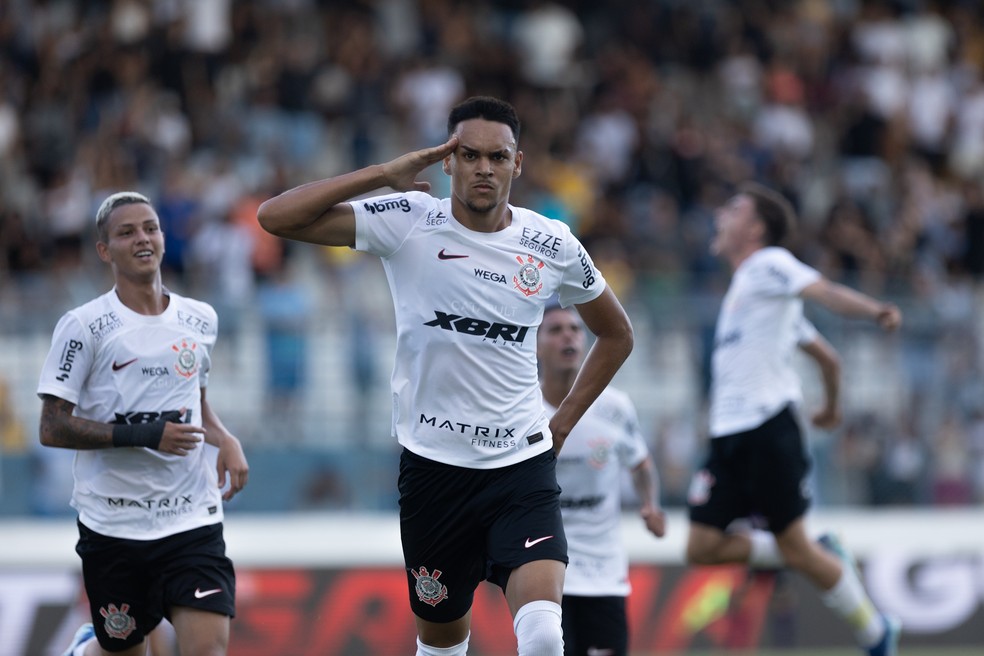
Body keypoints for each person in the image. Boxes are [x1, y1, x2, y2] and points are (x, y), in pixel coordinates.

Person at [257, 95, 634, 656]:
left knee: (542, 639)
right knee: (441, 646)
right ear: (447, 162)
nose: (485, 168)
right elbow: (275, 217)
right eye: (470, 154)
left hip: (520, 468)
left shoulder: (550, 243)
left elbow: (617, 334)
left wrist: (563, 423)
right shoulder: (408, 222)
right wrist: (385, 174)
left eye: (498, 157)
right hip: (434, 473)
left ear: (517, 164)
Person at [685, 181, 903, 656]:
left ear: (756, 228)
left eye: (734, 208)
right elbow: (828, 359)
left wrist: (876, 310)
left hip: (766, 428)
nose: (722, 214)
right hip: (729, 437)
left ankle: (875, 635)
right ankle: (823, 552)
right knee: (700, 546)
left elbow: (823, 291)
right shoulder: (755, 294)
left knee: (800, 551)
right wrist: (830, 407)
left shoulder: (770, 264)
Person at [38, 191, 249, 656]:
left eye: (150, 227)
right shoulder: (83, 327)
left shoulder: (200, 318)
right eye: (126, 232)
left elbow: (196, 401)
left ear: (164, 238)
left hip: (190, 517)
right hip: (114, 524)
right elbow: (52, 426)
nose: (142, 238)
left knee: (207, 649)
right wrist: (145, 436)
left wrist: (225, 437)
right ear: (104, 250)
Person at [537, 303, 665, 656]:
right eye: (555, 329)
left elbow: (640, 464)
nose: (569, 335)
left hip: (604, 571)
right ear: (536, 345)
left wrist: (650, 505)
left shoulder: (615, 407)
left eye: (576, 329)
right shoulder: (522, 409)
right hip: (546, 571)